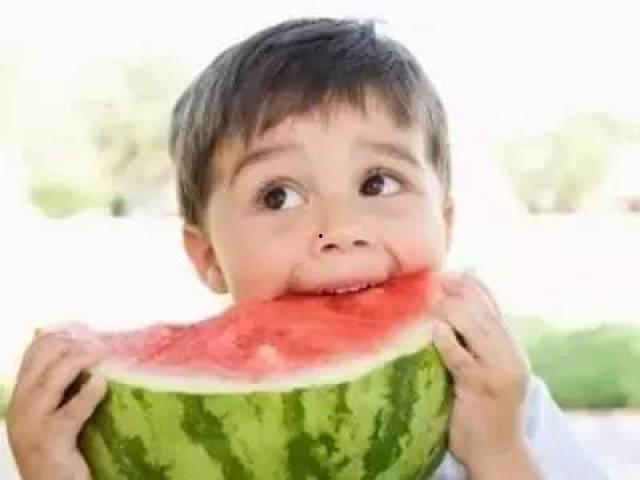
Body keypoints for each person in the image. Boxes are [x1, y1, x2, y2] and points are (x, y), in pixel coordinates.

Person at [6, 17, 608, 480]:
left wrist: (499, 452)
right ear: (208, 256)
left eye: (378, 183)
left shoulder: (503, 399)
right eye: (279, 196)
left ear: (444, 223)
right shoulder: (159, 422)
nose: (340, 228)